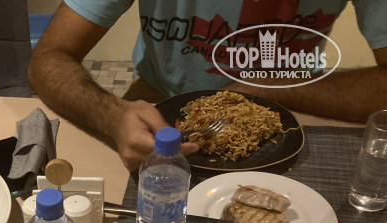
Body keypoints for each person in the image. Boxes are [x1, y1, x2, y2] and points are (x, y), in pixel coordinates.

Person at [28, 1, 387, 172]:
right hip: (158, 101)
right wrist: (110, 116)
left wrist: (275, 85)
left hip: (297, 106)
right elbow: (48, 58)